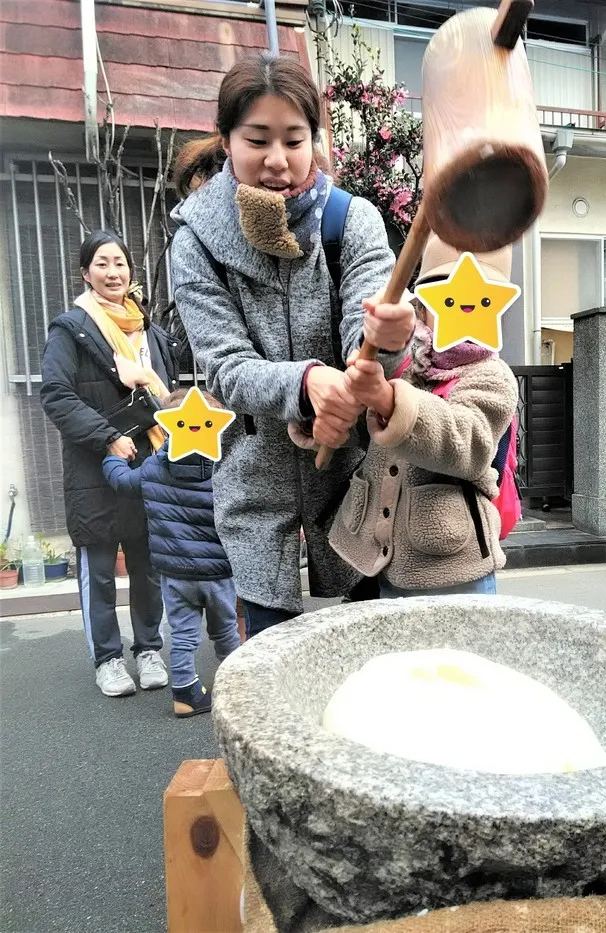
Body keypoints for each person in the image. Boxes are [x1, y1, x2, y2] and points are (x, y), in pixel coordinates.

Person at [169, 53, 415, 635]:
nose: (276, 160)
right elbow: (225, 369)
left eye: (293, 139)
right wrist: (307, 384)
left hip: (357, 480)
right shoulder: (196, 240)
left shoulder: (352, 221)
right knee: (270, 673)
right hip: (254, 484)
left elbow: (370, 333)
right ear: (227, 140)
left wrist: (386, 339)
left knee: (366, 664)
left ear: (315, 141)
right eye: (257, 139)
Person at [291, 236, 519, 597]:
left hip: (453, 564)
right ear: (422, 305)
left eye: (482, 301)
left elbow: (469, 444)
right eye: (447, 300)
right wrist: (328, 417)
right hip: (381, 561)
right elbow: (370, 432)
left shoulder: (492, 376)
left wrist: (387, 399)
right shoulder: (407, 365)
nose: (464, 310)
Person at [41, 230, 180, 697]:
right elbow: (56, 395)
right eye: (102, 263)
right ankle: (107, 659)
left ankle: (147, 649)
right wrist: (106, 437)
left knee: (148, 565)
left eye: (119, 263)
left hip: (149, 464)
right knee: (99, 569)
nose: (112, 272)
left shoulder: (150, 332)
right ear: (86, 273)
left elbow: (167, 393)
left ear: (130, 272)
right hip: (94, 468)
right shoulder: (70, 329)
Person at [103, 388, 241, 717]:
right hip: (219, 574)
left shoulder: (153, 470)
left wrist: (111, 457)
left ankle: (185, 694)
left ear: (167, 429)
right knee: (225, 632)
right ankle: (238, 690)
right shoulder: (226, 472)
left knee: (183, 635)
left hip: (176, 575)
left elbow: (122, 482)